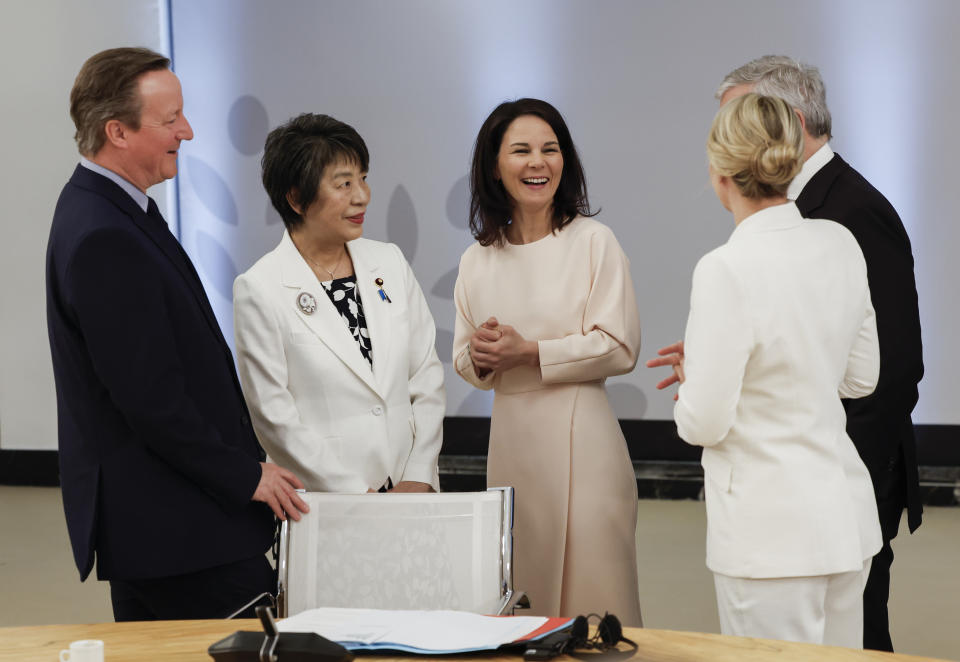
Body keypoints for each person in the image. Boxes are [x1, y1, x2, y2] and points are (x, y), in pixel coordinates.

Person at [654, 55, 924, 652]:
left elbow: (702, 421)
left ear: (720, 173)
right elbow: (861, 380)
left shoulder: (724, 266)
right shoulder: (838, 242)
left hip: (766, 534)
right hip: (843, 522)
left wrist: (699, 371)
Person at [45, 47, 309, 621]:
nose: (186, 131)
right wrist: (246, 475)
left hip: (172, 525)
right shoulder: (102, 236)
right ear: (117, 131)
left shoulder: (114, 209)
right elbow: (151, 401)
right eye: (171, 120)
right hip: (179, 533)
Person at [452, 98, 642, 624]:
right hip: (513, 447)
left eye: (550, 150)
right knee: (522, 599)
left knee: (595, 604)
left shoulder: (593, 242)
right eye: (521, 151)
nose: (538, 162)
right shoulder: (477, 257)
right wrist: (483, 354)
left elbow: (619, 345)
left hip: (587, 444)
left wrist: (529, 351)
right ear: (495, 165)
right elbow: (466, 364)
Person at [233, 113, 445, 494]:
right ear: (296, 198)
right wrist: (355, 495)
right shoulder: (260, 288)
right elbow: (274, 419)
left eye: (363, 178)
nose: (361, 195)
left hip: (411, 491)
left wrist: (418, 474)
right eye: (343, 184)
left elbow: (426, 376)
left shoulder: (389, 261)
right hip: (329, 503)